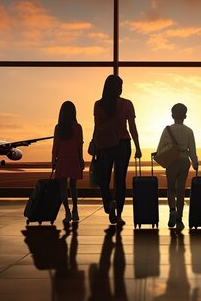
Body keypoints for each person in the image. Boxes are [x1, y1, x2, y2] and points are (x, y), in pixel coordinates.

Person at [93, 75, 142, 225]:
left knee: (104, 178)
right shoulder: (127, 104)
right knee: (120, 180)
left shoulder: (99, 104)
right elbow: (132, 127)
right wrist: (138, 147)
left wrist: (95, 145)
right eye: (120, 86)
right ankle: (119, 214)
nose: (121, 89)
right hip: (123, 144)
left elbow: (97, 127)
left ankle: (108, 203)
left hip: (106, 145)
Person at [155, 103, 198, 229]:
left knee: (171, 188)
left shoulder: (167, 130)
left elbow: (160, 149)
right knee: (181, 189)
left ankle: (172, 211)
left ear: (172, 115)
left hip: (171, 162)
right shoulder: (189, 131)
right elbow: (192, 150)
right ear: (185, 115)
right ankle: (179, 218)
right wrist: (195, 163)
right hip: (184, 161)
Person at [52, 101, 84, 223]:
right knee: (73, 187)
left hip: (62, 160)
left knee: (62, 188)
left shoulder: (58, 128)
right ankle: (75, 211)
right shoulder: (78, 127)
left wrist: (53, 160)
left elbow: (56, 146)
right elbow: (79, 145)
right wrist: (81, 159)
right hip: (74, 158)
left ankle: (67, 213)